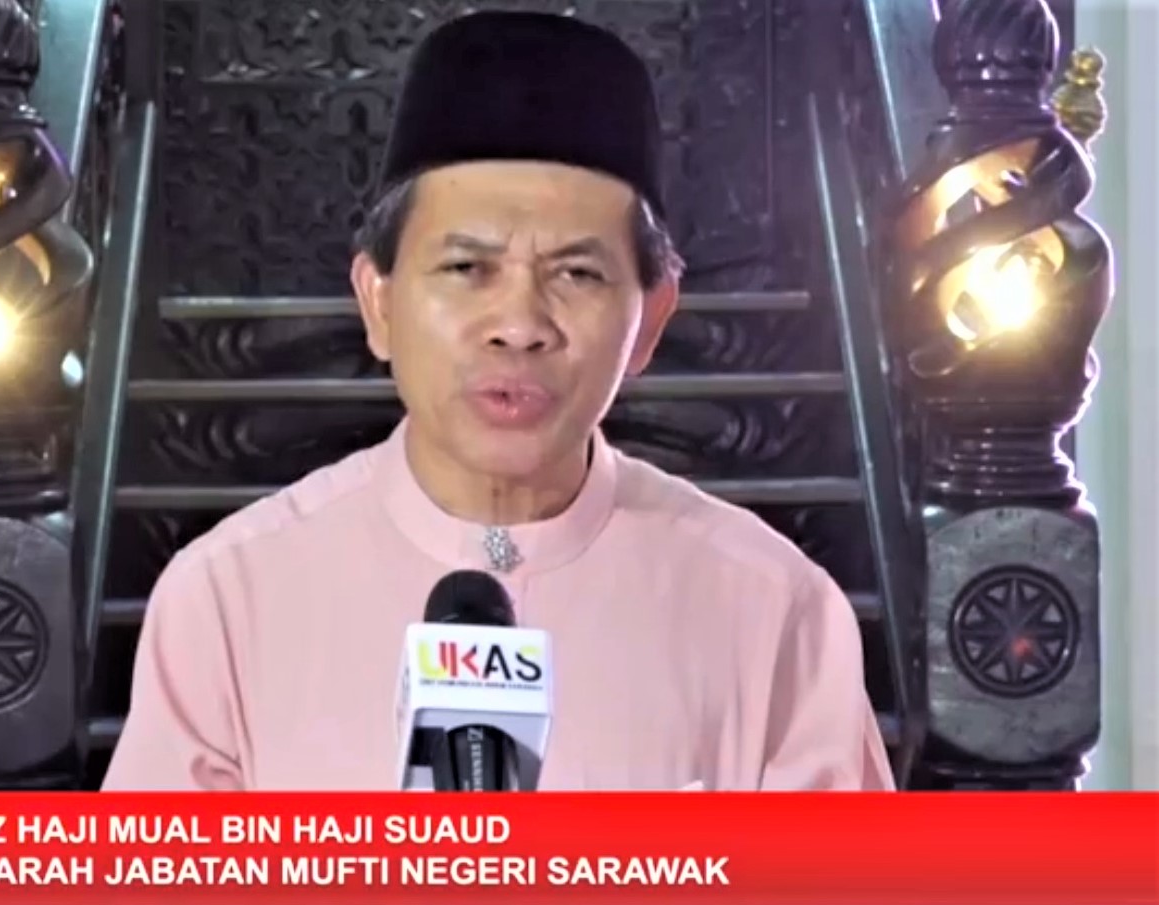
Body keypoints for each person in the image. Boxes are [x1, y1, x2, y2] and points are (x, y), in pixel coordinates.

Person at [102, 11, 894, 792]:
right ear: (378, 301)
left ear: (650, 322)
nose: (518, 325)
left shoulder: (776, 613)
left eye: (577, 273)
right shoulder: (227, 599)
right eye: (466, 268)